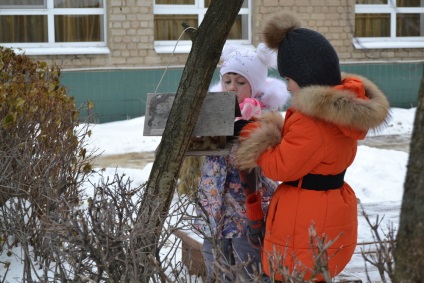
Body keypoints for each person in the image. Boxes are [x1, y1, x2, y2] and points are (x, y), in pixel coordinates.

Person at [235, 11, 390, 282]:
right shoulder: (339, 112)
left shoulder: (313, 120)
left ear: (304, 75)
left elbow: (281, 165)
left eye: (288, 78)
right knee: (317, 272)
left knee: (298, 273)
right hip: (329, 207)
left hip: (306, 218)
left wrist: (252, 133)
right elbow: (309, 150)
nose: (288, 86)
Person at [193, 43, 290, 282]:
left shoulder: (266, 116)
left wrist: (247, 129)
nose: (232, 88)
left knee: (252, 272)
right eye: (228, 81)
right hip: (214, 207)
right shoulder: (212, 113)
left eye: (240, 82)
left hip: (247, 212)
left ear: (255, 85)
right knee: (216, 270)